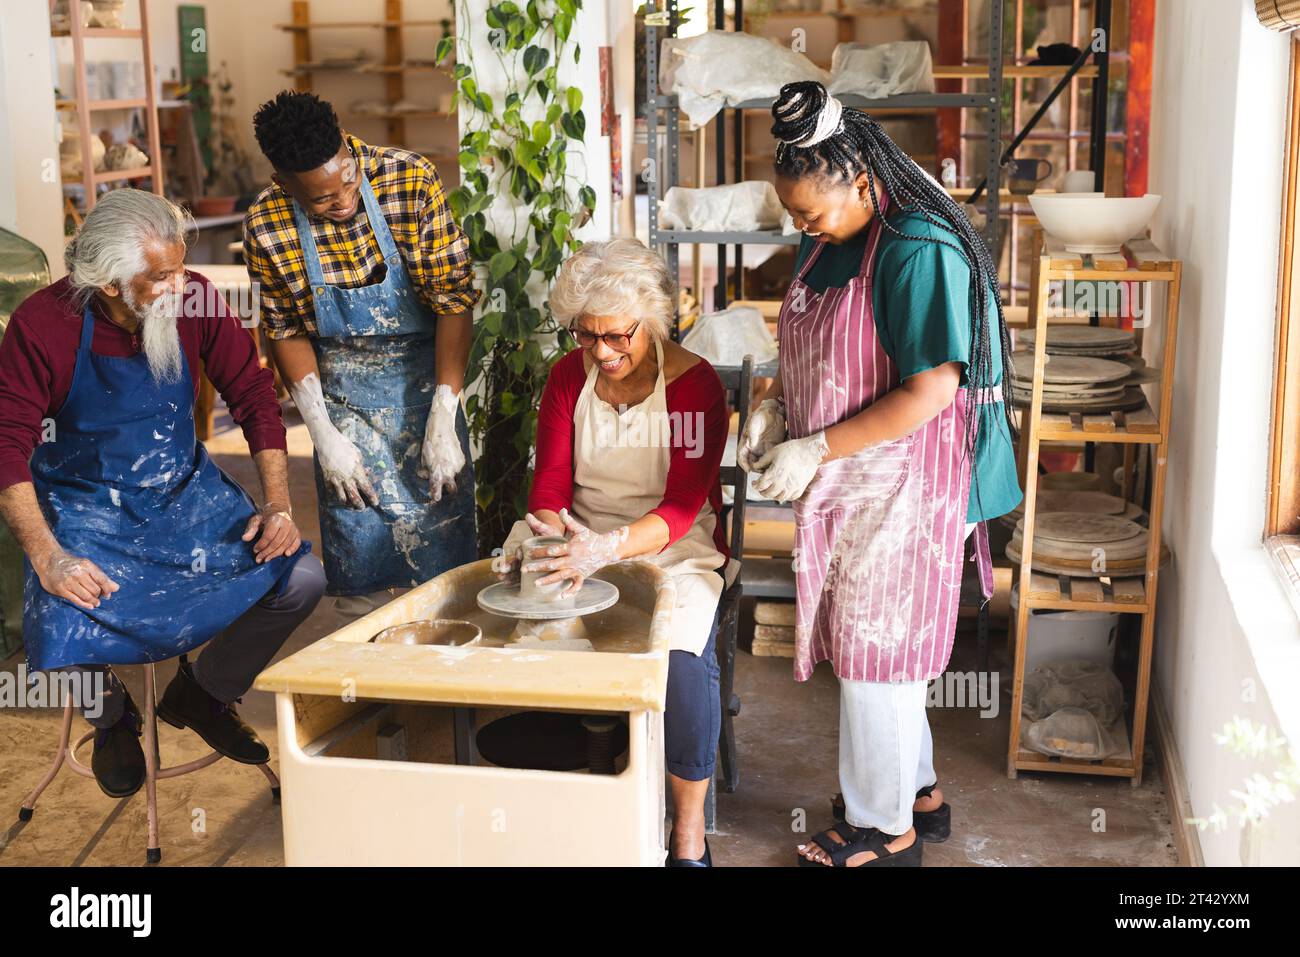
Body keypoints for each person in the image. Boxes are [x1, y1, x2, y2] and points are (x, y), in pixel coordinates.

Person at [738, 81, 1022, 867]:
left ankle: (882, 829)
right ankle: (918, 795)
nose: (803, 229)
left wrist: (816, 446)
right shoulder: (834, 232)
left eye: (811, 214)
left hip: (907, 483)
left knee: (876, 656)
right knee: (881, 655)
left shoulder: (916, 246)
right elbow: (817, 344)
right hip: (852, 476)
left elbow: (933, 388)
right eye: (794, 217)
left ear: (861, 182)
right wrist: (776, 406)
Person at [0, 189, 325, 799]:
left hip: (182, 495)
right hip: (85, 504)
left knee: (300, 578)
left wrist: (277, 503)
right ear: (106, 281)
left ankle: (203, 693)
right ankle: (111, 718)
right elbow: (5, 446)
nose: (180, 284)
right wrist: (48, 554)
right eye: (160, 276)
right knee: (57, 617)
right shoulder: (42, 325)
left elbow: (254, 397)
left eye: (180, 266)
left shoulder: (194, 297)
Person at [492, 239, 732, 867]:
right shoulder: (570, 377)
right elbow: (549, 485)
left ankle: (686, 833)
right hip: (579, 535)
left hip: (675, 547)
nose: (601, 351)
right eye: (586, 335)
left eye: (618, 336)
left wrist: (613, 549)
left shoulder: (693, 386)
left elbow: (683, 504)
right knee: (522, 630)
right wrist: (551, 538)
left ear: (649, 321)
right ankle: (578, 789)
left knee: (679, 660)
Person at [243, 91, 479, 619]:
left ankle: (447, 695)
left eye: (347, 179)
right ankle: (373, 694)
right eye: (323, 201)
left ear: (349, 147)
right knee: (361, 578)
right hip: (341, 404)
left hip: (428, 390)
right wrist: (322, 436)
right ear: (285, 184)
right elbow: (285, 330)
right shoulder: (266, 222)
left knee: (448, 575)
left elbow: (454, 303)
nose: (343, 201)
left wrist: (446, 414)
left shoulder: (409, 179)